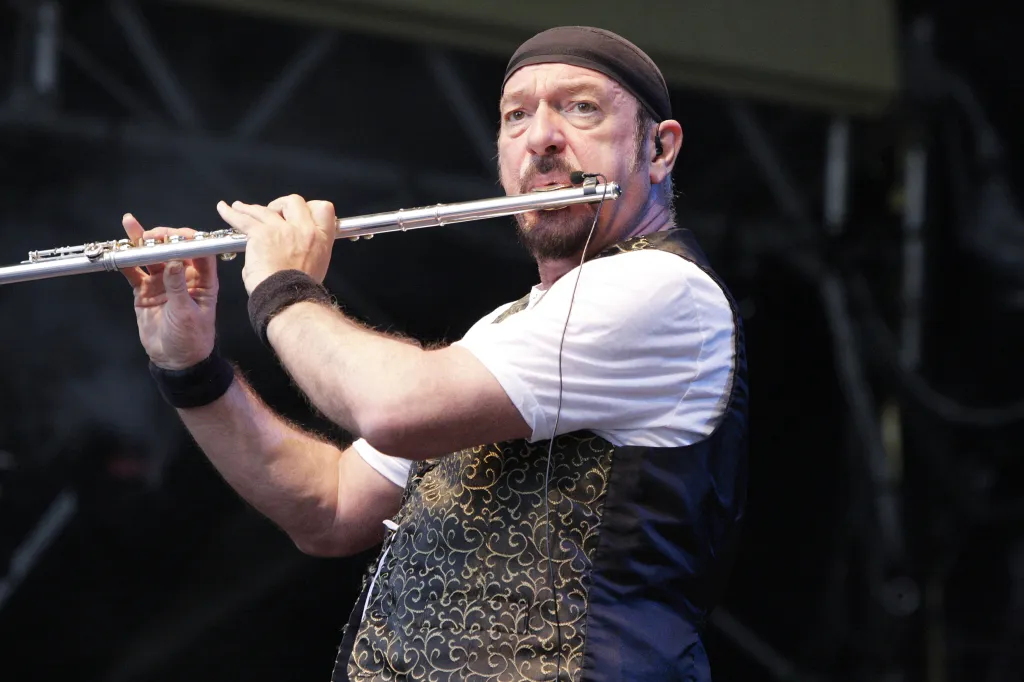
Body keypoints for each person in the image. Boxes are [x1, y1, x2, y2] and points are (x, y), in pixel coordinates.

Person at [120, 25, 748, 682]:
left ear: (660, 149)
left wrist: (283, 286)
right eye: (516, 116)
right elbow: (329, 507)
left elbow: (395, 406)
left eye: (580, 107)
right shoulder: (507, 327)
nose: (541, 137)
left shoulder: (663, 289)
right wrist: (191, 366)